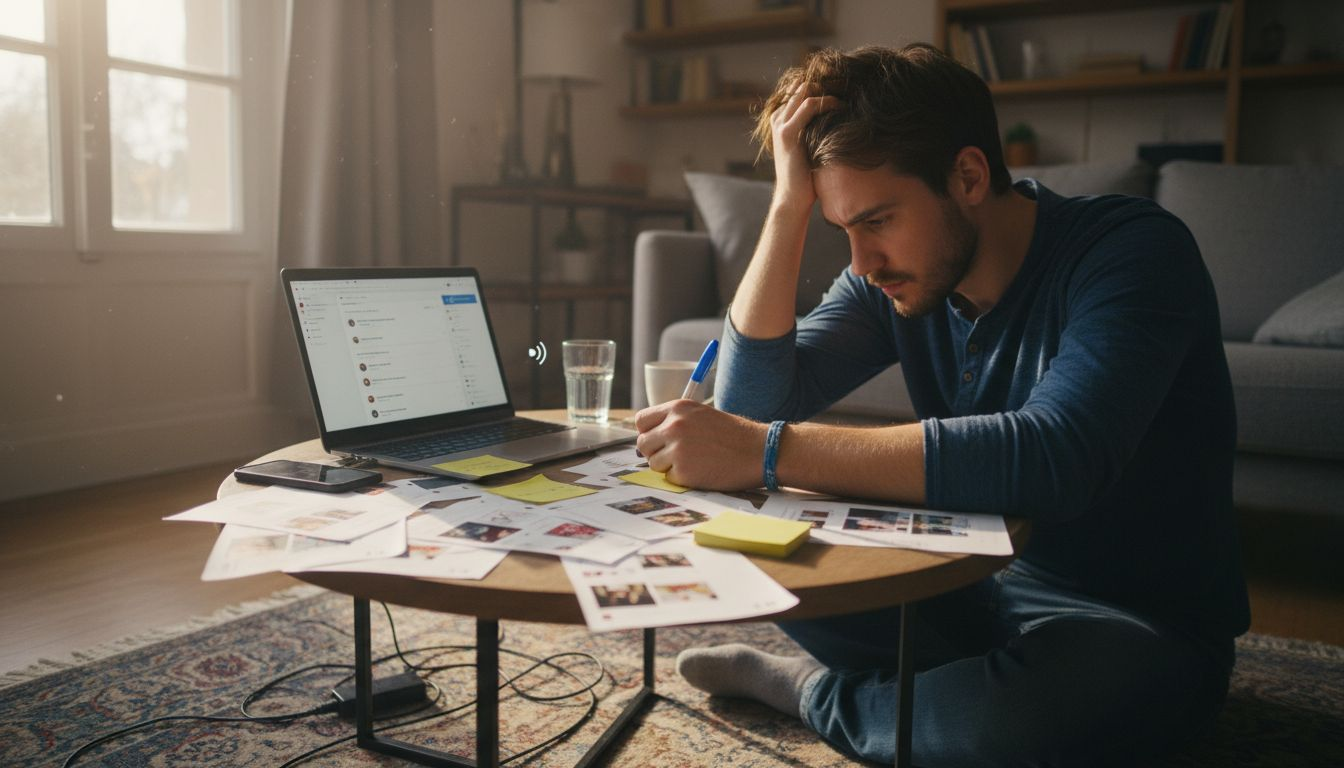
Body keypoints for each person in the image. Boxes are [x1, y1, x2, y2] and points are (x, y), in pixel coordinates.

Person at [634, 44, 1249, 767]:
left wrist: (769, 451)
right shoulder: (891, 281)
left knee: (1012, 734)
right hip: (969, 583)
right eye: (843, 230)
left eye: (878, 220)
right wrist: (786, 205)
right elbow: (749, 405)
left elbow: (1057, 455)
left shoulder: (1132, 253)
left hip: (1134, 624)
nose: (861, 262)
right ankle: (927, 693)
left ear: (967, 176)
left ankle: (815, 695)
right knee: (758, 560)